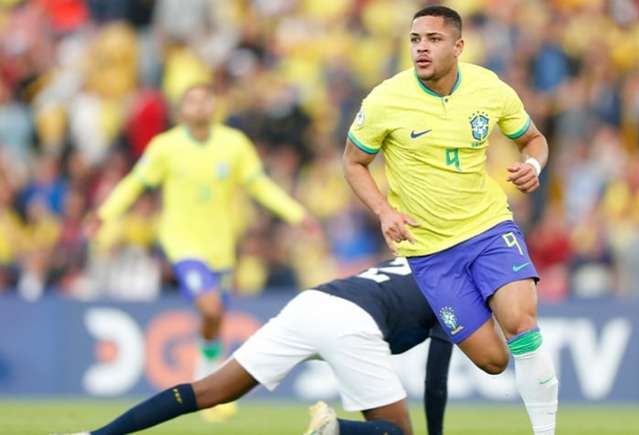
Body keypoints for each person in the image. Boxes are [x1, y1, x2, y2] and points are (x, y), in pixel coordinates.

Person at [341, 5, 558, 435]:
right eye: (416, 40)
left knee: (521, 322)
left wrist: (533, 165)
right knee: (494, 361)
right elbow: (353, 163)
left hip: (488, 227)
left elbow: (533, 139)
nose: (422, 49)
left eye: (434, 40)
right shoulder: (385, 99)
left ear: (458, 46)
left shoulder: (489, 88)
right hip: (431, 253)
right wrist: (384, 211)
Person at [86, 83, 317, 419]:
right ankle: (206, 368)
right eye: (192, 101)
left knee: (216, 316)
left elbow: (259, 185)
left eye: (205, 99)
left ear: (215, 106)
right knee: (210, 309)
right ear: (182, 110)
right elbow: (136, 181)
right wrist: (104, 213)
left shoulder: (233, 145)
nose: (199, 106)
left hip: (221, 249)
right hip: (182, 244)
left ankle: (208, 367)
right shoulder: (166, 146)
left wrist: (296, 214)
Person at [65, 258, 453, 435]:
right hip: (353, 322)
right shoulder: (455, 287)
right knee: (395, 434)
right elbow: (436, 379)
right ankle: (334, 428)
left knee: (211, 390)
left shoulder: (417, 260)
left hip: (313, 303)